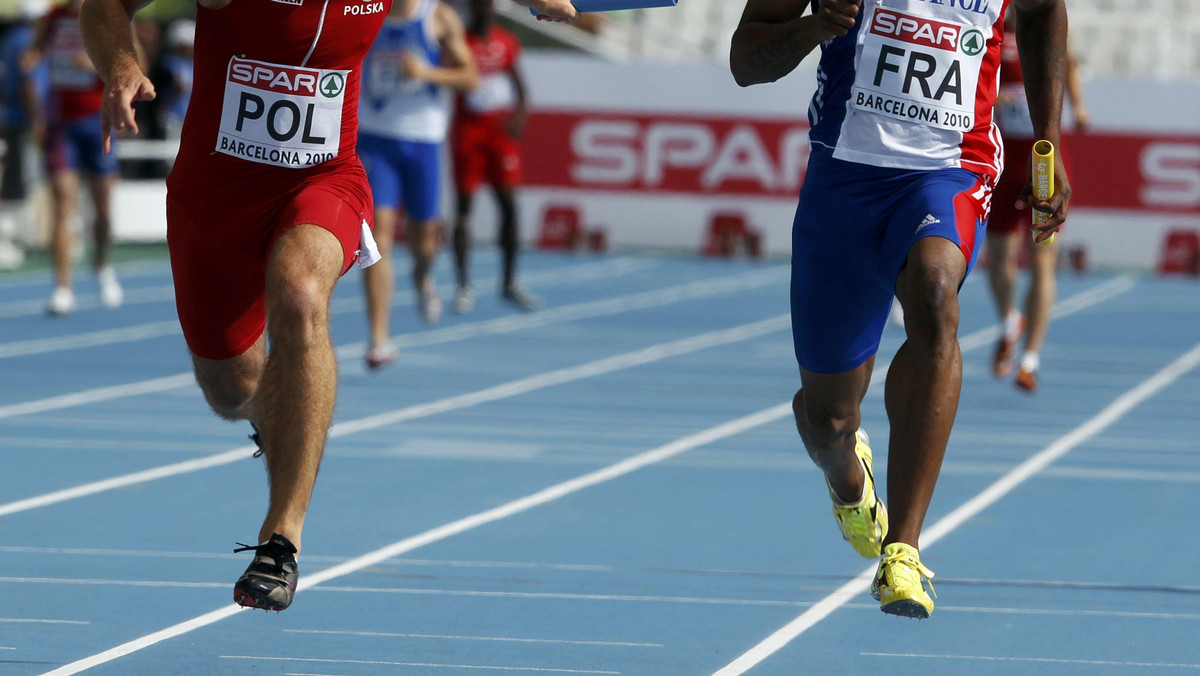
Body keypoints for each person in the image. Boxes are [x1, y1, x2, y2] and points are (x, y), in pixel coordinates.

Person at [81, 0, 574, 612]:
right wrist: (122, 66)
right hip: (213, 201)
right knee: (230, 388)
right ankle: (280, 417)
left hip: (323, 179)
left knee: (300, 291)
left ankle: (281, 540)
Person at [731, 0, 1071, 619]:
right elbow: (746, 61)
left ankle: (904, 550)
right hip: (844, 177)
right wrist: (814, 26)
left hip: (950, 166)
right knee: (828, 416)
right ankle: (846, 479)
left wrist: (1047, 141)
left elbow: (1045, 13)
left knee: (937, 296)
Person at [358, 0, 478, 369]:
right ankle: (379, 338)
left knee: (425, 238)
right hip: (375, 137)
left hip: (422, 139)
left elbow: (470, 77)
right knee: (378, 236)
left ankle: (423, 277)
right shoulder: (364, 12)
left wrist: (427, 73)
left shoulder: (437, 17)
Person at [986, 9, 1089, 393]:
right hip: (1000, 162)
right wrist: (998, 99)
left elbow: (1068, 65)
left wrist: (1077, 107)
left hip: (1042, 162)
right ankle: (1010, 322)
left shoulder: (1048, 24)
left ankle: (1030, 359)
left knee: (1042, 258)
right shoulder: (985, 24)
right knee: (999, 260)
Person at [27, 0, 124, 315]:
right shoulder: (53, 18)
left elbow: (138, 66)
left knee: (103, 209)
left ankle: (101, 264)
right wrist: (29, 60)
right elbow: (35, 54)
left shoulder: (109, 12)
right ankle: (62, 287)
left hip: (98, 122)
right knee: (62, 204)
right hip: (61, 124)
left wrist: (97, 63)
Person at [451, 0, 540, 315]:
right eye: (479, 6)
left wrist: (518, 119)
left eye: (489, 7)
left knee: (510, 206)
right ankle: (463, 286)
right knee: (464, 209)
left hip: (499, 134)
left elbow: (521, 88)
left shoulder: (506, 41)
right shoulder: (458, 40)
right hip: (468, 132)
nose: (484, 12)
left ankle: (509, 281)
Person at [0, 0, 49, 270]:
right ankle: (16, 239)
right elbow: (29, 82)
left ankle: (16, 237)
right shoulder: (26, 41)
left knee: (14, 176)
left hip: (12, 116)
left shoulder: (10, 39)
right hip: (22, 119)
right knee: (21, 179)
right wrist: (39, 119)